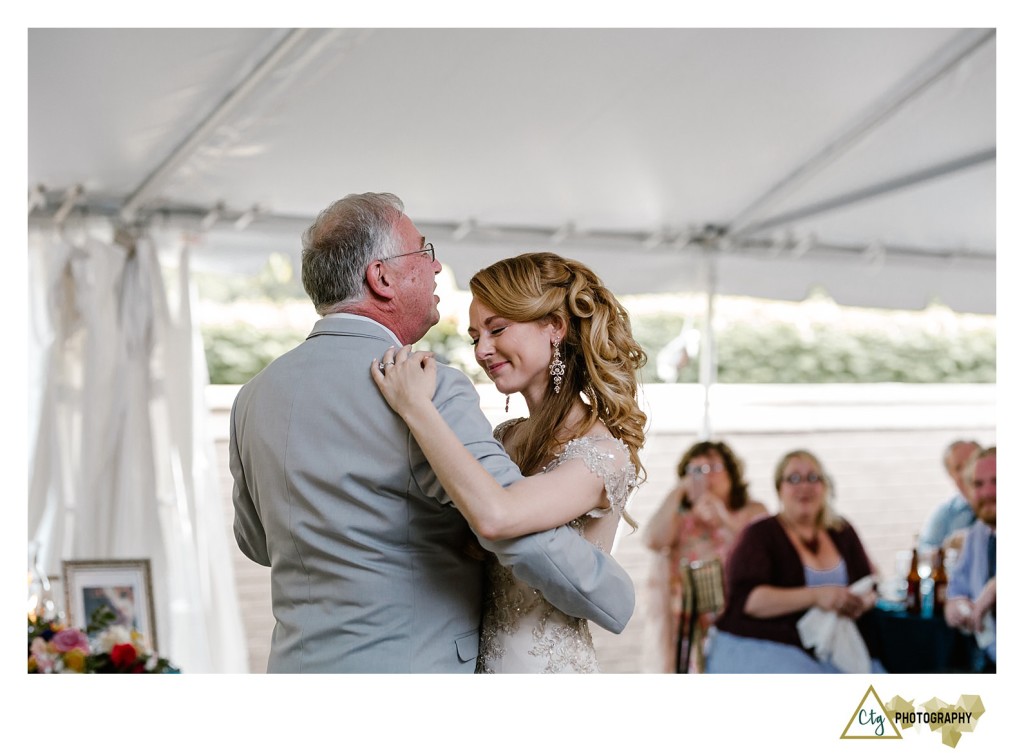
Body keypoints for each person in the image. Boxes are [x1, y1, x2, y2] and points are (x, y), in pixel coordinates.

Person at [229, 193, 635, 673]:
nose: (438, 266)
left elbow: (256, 542)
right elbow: (508, 524)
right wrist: (613, 593)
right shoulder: (426, 385)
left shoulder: (253, 397)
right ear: (381, 278)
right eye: (424, 252)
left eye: (497, 329)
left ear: (555, 328)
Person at [373, 251, 647, 673]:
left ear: (554, 326)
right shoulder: (503, 437)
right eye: (474, 337)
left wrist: (417, 408)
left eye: (497, 329)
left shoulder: (602, 454)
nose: (483, 350)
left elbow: (500, 517)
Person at [705, 449, 883, 673]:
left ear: (824, 486)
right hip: (765, 642)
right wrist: (817, 596)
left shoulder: (842, 530)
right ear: (780, 488)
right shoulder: (760, 534)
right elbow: (748, 601)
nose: (804, 486)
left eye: (813, 477)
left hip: (834, 644)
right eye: (794, 478)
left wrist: (861, 602)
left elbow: (870, 581)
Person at [642, 439, 767, 672]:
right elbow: (652, 540)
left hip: (738, 618)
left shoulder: (752, 510)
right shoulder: (680, 516)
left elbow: (763, 554)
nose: (705, 476)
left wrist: (723, 518)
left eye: (713, 468)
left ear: (731, 472)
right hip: (688, 624)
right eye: (696, 470)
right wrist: (679, 491)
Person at [944, 445, 996, 671]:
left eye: (997, 481)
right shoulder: (978, 534)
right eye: (978, 484)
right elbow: (955, 590)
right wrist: (956, 606)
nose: (987, 493)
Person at [919, 439, 981, 550]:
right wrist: (946, 550)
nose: (967, 472)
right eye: (959, 468)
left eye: (971, 463)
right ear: (950, 475)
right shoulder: (944, 515)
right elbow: (923, 554)